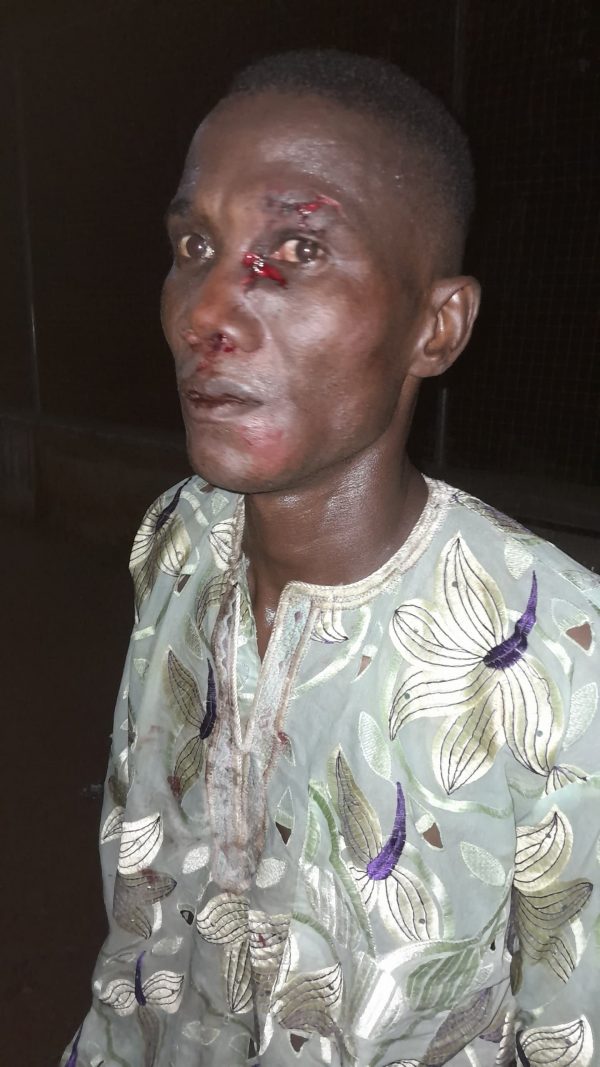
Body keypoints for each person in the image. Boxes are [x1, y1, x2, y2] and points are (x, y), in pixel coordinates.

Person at [61, 49, 599, 1067]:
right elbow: (139, 915)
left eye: (297, 249)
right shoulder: (179, 539)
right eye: (195, 244)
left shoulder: (563, 667)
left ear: (436, 327)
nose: (205, 313)